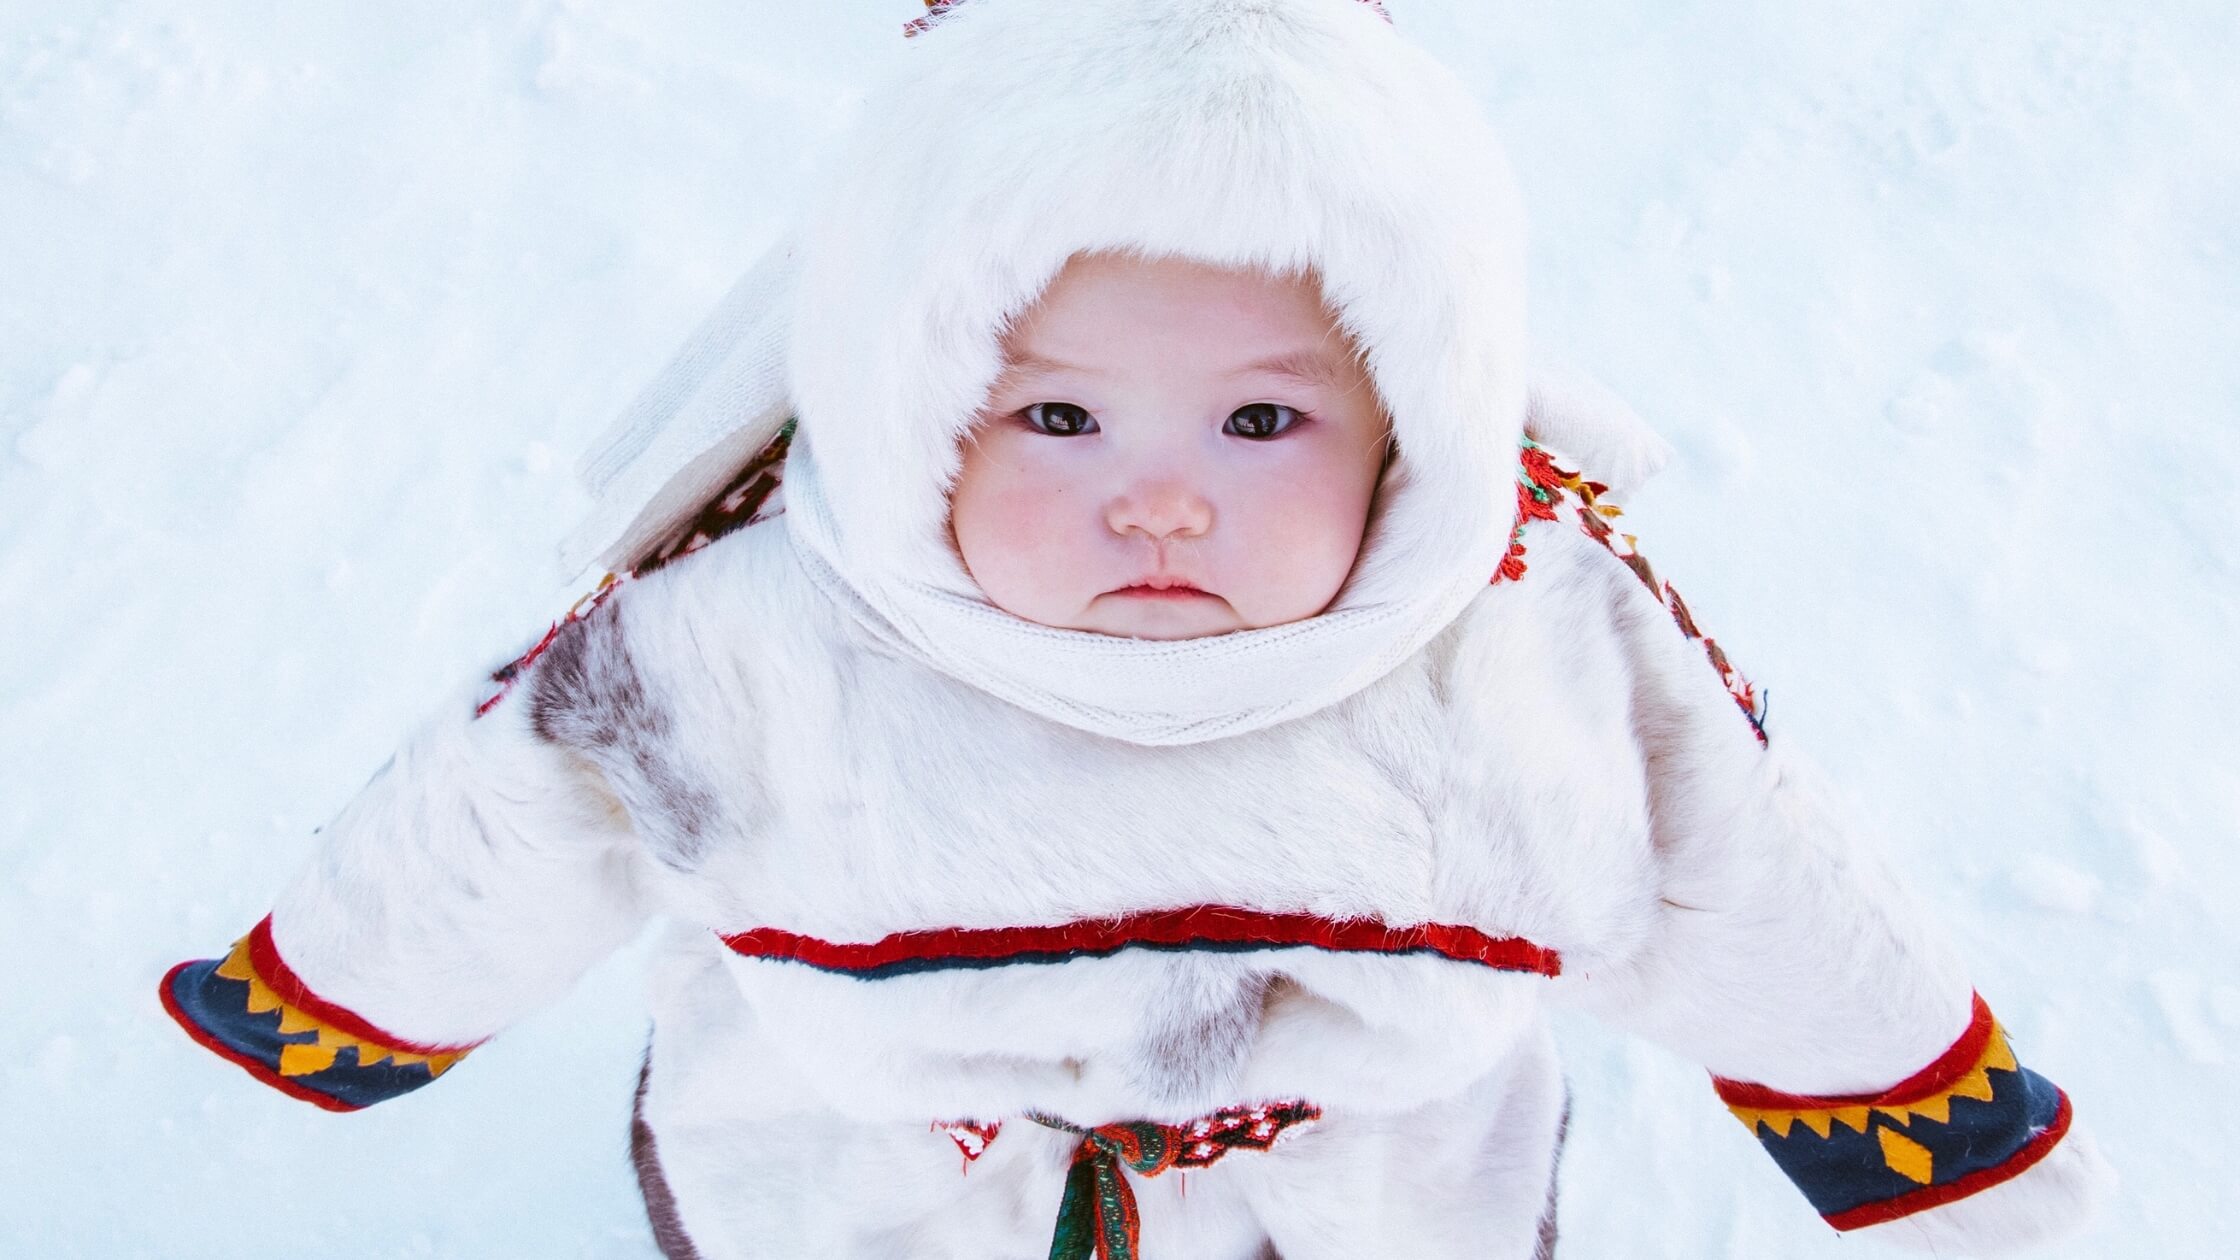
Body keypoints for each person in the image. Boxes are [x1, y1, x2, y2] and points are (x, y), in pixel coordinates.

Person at [157, 2, 2111, 1256]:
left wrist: (1928, 1137)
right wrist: (343, 998)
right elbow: (511, 815)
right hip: (886, 1185)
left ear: (1420, 420)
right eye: (1058, 417)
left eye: (1261, 420)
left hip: (1375, 1185)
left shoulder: (1523, 624)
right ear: (905, 397)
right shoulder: (755, 629)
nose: (1157, 497)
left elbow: (1748, 873)